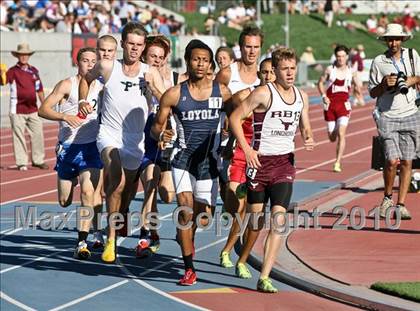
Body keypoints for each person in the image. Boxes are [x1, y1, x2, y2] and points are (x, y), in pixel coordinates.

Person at [229, 47, 314, 293]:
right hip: (259, 164)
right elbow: (235, 118)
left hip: (284, 164)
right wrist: (246, 149)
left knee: (278, 221)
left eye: (293, 68)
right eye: (284, 69)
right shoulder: (263, 94)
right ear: (274, 71)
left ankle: (265, 276)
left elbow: (305, 125)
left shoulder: (301, 96)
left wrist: (308, 137)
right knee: (256, 222)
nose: (289, 73)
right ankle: (243, 257)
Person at [78, 22, 165, 263]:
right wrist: (83, 101)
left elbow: (165, 101)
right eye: (131, 44)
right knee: (115, 180)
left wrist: (153, 87)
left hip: (135, 141)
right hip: (109, 134)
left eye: (139, 45)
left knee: (126, 192)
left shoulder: (151, 72)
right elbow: (86, 79)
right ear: (123, 44)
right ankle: (111, 239)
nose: (135, 49)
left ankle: (118, 217)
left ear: (143, 46)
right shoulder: (107, 66)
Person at [151, 39, 232, 286]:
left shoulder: (222, 92)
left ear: (210, 64)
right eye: (196, 59)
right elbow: (156, 126)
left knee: (203, 218)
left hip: (209, 161)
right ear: (188, 61)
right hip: (183, 159)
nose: (200, 64)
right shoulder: (175, 93)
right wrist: (161, 134)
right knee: (184, 209)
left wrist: (229, 138)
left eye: (205, 60)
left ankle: (184, 234)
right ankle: (189, 269)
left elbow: (235, 118)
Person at [38, 47, 103, 259]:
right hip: (68, 148)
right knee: (64, 201)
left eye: (94, 61)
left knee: (88, 193)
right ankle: (70, 178)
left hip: (91, 147)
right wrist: (65, 117)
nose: (90, 65)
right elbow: (43, 109)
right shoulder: (68, 84)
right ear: (78, 63)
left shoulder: (102, 87)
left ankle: (82, 242)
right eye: (86, 60)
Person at [219, 58, 275, 276]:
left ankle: (227, 250)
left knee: (248, 212)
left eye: (271, 72)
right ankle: (231, 199)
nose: (268, 76)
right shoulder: (245, 95)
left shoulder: (279, 100)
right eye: (264, 72)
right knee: (235, 204)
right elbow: (232, 116)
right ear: (258, 74)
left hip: (263, 160)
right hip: (242, 155)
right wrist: (230, 142)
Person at [216, 26, 262, 272]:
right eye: (247, 46)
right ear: (240, 47)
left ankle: (227, 250)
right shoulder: (227, 73)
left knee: (243, 207)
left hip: (251, 148)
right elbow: (212, 101)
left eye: (256, 47)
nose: (252, 51)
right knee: (233, 204)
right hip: (224, 143)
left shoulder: (266, 76)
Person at [369, 23, 420, 220]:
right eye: (390, 39)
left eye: (397, 39)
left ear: (402, 40)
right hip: (388, 116)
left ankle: (401, 204)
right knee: (391, 160)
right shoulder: (379, 61)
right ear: (386, 41)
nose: (393, 42)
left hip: (411, 114)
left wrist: (411, 80)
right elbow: (372, 92)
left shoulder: (412, 56)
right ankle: (388, 198)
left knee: (407, 161)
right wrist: (383, 85)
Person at [135, 34, 176, 258]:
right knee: (149, 185)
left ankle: (151, 229)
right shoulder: (136, 74)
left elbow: (172, 104)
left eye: (161, 57)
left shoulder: (173, 77)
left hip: (165, 136)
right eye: (153, 56)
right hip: (143, 136)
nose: (157, 60)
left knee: (168, 195)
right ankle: (145, 236)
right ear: (145, 55)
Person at [6, 43, 48, 171]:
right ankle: (21, 162)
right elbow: (2, 81)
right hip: (17, 109)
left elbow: (39, 89)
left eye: (26, 54)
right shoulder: (12, 71)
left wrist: (44, 105)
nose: (24, 57)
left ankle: (38, 160)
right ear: (17, 56)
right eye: (21, 54)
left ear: (29, 56)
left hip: (33, 108)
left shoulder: (33, 71)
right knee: (18, 135)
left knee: (38, 133)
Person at [317, 44, 355, 172]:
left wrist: (358, 93)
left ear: (347, 57)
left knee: (341, 134)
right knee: (332, 138)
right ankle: (336, 128)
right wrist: (323, 95)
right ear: (336, 57)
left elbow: (357, 85)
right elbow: (320, 82)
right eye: (338, 56)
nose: (340, 59)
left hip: (344, 106)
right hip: (330, 106)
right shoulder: (329, 70)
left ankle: (337, 162)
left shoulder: (351, 71)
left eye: (343, 56)